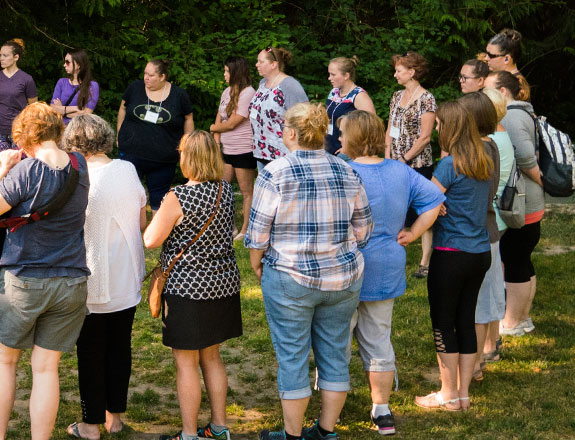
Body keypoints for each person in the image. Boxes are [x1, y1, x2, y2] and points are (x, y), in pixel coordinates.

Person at [246, 103, 372, 440]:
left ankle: (292, 435)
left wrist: (256, 262)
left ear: (289, 133)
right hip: (343, 278)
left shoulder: (274, 173)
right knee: (334, 355)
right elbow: (364, 229)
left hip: (290, 277)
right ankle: (326, 431)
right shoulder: (347, 170)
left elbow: (256, 234)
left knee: (292, 356)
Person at [0, 102, 90, 440]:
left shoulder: (26, 172)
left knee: (5, 360)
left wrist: (4, 168)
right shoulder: (80, 165)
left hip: (24, 280)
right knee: (45, 369)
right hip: (71, 281)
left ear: (24, 139)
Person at [339, 109, 444, 436]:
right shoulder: (401, 170)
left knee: (337, 338)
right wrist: (413, 233)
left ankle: (333, 403)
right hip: (387, 262)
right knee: (379, 337)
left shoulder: (342, 170)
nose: (338, 139)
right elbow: (435, 202)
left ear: (352, 138)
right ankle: (381, 410)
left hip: (345, 264)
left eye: (342, 133)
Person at [142, 131, 243, 440]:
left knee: (186, 364)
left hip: (187, 289)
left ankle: (188, 434)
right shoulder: (225, 191)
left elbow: (150, 240)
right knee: (212, 358)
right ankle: (219, 427)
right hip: (222, 285)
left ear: (188, 158)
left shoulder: (178, 196)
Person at [62, 115, 144, 440]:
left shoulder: (76, 176)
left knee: (91, 351)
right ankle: (115, 418)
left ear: (75, 142)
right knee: (119, 347)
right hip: (127, 274)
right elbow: (140, 218)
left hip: (92, 276)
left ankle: (90, 424)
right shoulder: (127, 169)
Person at [413, 98, 495, 413]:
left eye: (438, 125)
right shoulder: (482, 160)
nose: (436, 129)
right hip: (479, 252)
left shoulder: (449, 165)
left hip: (450, 254)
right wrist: (439, 200)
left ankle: (447, 393)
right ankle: (462, 394)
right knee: (465, 319)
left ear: (449, 128)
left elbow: (424, 200)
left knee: (443, 323)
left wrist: (434, 203)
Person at [492, 71, 545, 338]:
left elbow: (524, 157)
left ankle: (512, 323)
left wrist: (541, 180)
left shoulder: (510, 116)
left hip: (522, 203)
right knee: (522, 260)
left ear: (502, 92)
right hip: (527, 202)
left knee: (515, 261)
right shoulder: (524, 112)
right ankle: (523, 318)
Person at [465, 90, 513, 382]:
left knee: (477, 303)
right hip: (489, 229)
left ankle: (473, 366)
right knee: (484, 300)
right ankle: (481, 358)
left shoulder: (482, 149)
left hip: (478, 231)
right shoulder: (493, 144)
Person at [384, 52, 439, 279]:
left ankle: (425, 261)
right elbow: (390, 128)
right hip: (394, 161)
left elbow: (425, 137)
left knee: (422, 210)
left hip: (417, 163)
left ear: (412, 72)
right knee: (398, 210)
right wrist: (387, 155)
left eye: (399, 70)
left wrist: (404, 159)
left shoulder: (427, 99)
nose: (395, 74)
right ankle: (397, 257)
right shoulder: (396, 96)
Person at [115, 58, 194, 209]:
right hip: (131, 154)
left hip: (163, 160)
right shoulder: (135, 88)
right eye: (145, 74)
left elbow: (188, 118)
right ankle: (131, 230)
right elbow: (123, 108)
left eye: (150, 75)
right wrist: (119, 132)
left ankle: (157, 231)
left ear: (162, 77)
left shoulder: (179, 95)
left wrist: (187, 145)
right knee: (128, 196)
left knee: (159, 199)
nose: (146, 78)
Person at [210, 57, 257, 238]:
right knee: (222, 188)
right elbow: (220, 116)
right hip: (226, 149)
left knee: (246, 191)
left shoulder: (248, 93)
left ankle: (246, 230)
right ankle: (230, 227)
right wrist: (216, 139)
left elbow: (232, 123)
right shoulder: (227, 91)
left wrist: (214, 128)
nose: (224, 74)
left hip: (243, 149)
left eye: (227, 71)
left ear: (236, 72)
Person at [249, 47, 308, 168]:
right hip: (262, 151)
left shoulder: (289, 85)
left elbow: (305, 117)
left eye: (261, 61)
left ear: (273, 64)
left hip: (283, 154)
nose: (257, 64)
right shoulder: (262, 83)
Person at [0, 39, 37, 154]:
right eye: (0, 55)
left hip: (20, 131)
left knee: (21, 167)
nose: (1, 58)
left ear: (16, 57)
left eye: (5, 55)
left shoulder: (26, 79)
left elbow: (33, 106)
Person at [324, 57, 377, 156]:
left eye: (333, 75)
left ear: (346, 75)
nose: (329, 78)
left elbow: (372, 127)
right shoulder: (334, 92)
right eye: (329, 74)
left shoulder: (359, 96)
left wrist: (347, 149)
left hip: (348, 154)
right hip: (329, 149)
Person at [49, 49, 99, 122]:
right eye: (64, 62)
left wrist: (62, 109)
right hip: (61, 130)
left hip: (79, 130)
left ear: (78, 64)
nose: (64, 65)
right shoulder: (61, 82)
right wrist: (76, 108)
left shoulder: (92, 86)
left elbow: (86, 114)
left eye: (67, 62)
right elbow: (52, 109)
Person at [482, 28, 530, 101]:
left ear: (507, 59)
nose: (486, 58)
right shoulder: (504, 79)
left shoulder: (517, 86)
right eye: (486, 53)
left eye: (491, 55)